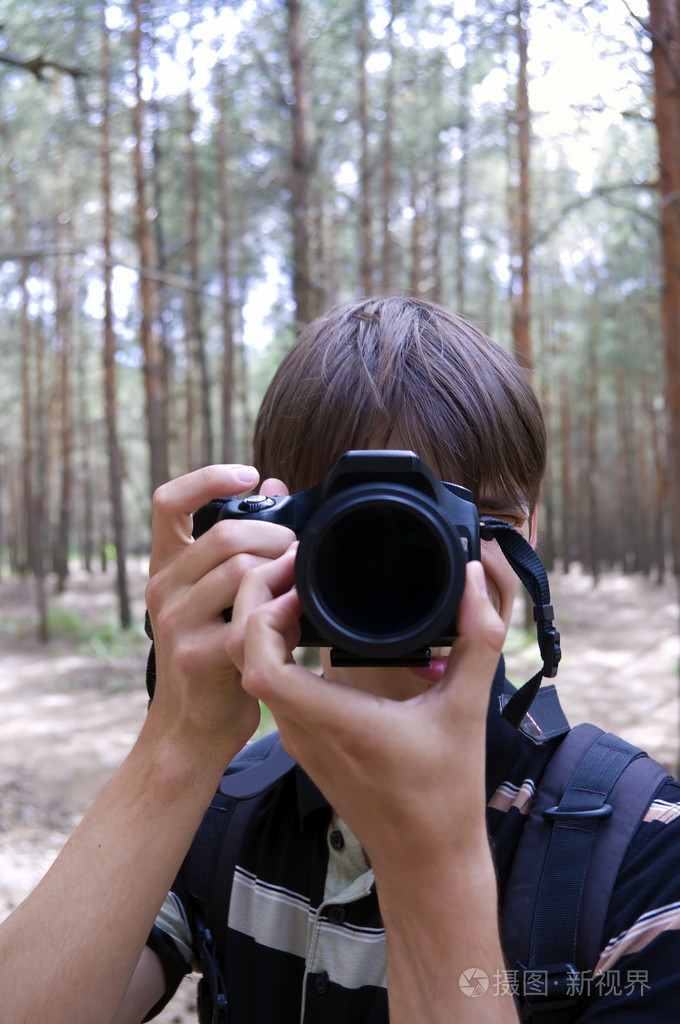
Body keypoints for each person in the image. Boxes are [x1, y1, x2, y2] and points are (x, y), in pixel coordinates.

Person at [4, 297, 678, 1024]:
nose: (432, 565)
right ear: (278, 534)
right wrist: (180, 741)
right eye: (376, 523)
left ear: (530, 539)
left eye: (478, 521)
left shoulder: (640, 849)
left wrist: (433, 864)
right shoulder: (225, 807)